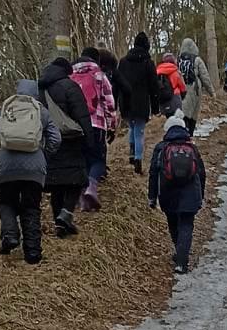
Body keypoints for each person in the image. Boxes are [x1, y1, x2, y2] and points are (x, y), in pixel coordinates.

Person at [0, 81, 62, 263]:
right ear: (36, 93)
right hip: (34, 168)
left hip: (7, 167)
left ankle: (10, 235)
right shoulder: (40, 110)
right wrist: (44, 156)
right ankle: (32, 253)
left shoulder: (6, 107)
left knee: (6, 203)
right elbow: (56, 138)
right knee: (31, 207)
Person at [38, 55, 95, 235]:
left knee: (56, 183)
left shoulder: (40, 89)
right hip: (71, 140)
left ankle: (59, 223)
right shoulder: (70, 86)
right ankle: (66, 213)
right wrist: (90, 140)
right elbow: (82, 115)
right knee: (76, 180)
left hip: (49, 140)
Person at [148, 114, 207, 276]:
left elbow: (153, 173)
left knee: (173, 223)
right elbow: (201, 173)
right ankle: (182, 261)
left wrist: (152, 197)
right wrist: (200, 194)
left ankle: (179, 251)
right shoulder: (192, 147)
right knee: (186, 225)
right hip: (191, 194)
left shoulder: (161, 148)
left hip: (168, 194)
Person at [70, 47, 120, 211]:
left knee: (82, 160)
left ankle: (81, 196)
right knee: (98, 160)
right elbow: (109, 103)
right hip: (96, 124)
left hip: (75, 126)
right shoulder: (99, 75)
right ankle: (91, 187)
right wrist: (112, 126)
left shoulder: (69, 75)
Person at [118, 32, 164, 173]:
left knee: (132, 127)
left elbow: (118, 82)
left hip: (126, 101)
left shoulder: (123, 62)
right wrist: (155, 108)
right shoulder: (148, 63)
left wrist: (117, 102)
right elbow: (154, 87)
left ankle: (132, 153)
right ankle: (138, 158)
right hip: (141, 102)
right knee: (139, 130)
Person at [176, 37, 216, 135]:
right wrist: (212, 92)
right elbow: (205, 77)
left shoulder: (178, 60)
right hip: (194, 90)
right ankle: (189, 134)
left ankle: (182, 133)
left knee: (183, 112)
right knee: (193, 114)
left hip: (180, 90)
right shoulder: (197, 60)